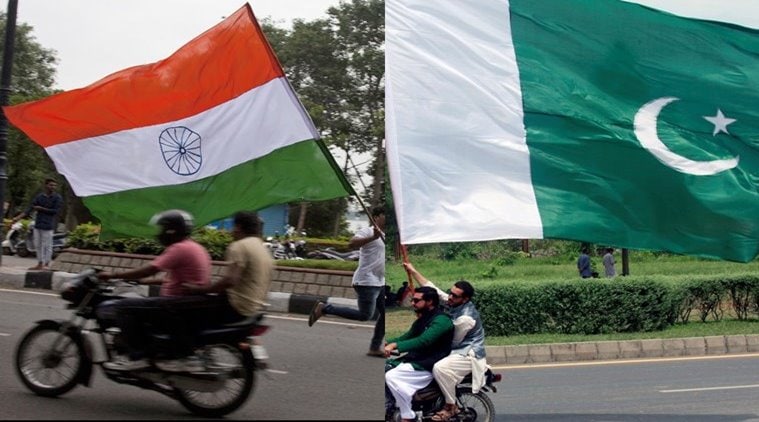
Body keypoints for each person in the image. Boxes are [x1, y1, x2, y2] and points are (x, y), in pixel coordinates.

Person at [95, 209, 212, 371]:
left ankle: (138, 356)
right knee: (139, 304)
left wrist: (113, 275)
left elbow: (151, 268)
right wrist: (142, 281)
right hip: (184, 303)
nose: (160, 233)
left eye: (163, 228)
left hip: (173, 304)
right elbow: (173, 278)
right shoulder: (195, 247)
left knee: (124, 307)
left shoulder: (179, 248)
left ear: (172, 230)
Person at [182, 211, 274, 367]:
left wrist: (200, 290)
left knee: (185, 312)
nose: (232, 231)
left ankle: (188, 355)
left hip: (236, 306)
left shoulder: (239, 246)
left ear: (238, 227)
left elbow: (230, 280)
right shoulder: (262, 249)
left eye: (233, 226)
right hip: (255, 308)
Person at [403, 262, 487, 422]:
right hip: (456, 350)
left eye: (455, 296)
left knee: (439, 367)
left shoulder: (466, 318)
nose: (450, 296)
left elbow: (452, 340)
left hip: (467, 353)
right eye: (450, 293)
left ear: (465, 299)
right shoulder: (452, 301)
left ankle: (451, 405)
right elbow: (432, 288)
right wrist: (413, 270)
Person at [308, 206, 386, 358]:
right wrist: (373, 238)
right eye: (385, 215)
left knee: (385, 314)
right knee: (365, 315)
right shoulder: (369, 232)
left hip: (381, 281)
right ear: (376, 217)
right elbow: (351, 244)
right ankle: (325, 308)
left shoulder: (387, 235)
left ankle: (375, 348)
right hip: (366, 281)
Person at [385, 286, 454, 422]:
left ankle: (408, 415)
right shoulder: (423, 319)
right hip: (416, 359)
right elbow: (408, 336)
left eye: (416, 300)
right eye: (412, 300)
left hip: (428, 363)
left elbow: (424, 341)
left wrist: (396, 346)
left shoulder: (441, 321)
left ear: (429, 302)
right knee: (386, 367)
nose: (412, 303)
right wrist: (386, 342)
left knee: (391, 376)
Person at [12, 178, 63, 270]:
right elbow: (29, 208)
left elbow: (55, 211)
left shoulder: (57, 198)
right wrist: (17, 218)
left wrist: (41, 209)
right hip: (38, 224)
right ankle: (40, 263)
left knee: (47, 245)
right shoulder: (40, 197)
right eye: (51, 185)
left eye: (54, 185)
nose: (53, 187)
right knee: (38, 245)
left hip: (48, 225)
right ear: (46, 185)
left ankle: (46, 264)